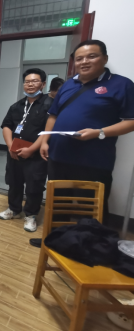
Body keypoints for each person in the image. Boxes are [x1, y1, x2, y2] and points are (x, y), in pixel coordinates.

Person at [40, 39, 134, 224]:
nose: (84, 62)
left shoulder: (121, 84)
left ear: (105, 58)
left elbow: (131, 121)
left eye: (91, 56)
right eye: (79, 58)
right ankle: (57, 236)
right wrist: (45, 141)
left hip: (93, 162)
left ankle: (89, 241)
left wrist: (98, 132)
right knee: (57, 205)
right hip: (58, 158)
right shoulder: (68, 85)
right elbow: (53, 116)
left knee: (91, 211)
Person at [0, 68, 53, 232]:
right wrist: (10, 146)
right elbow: (6, 126)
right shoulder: (17, 106)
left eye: (34, 81)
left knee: (34, 186)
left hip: (36, 155)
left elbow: (48, 130)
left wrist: (31, 149)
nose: (30, 84)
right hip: (15, 153)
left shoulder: (49, 105)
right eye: (27, 81)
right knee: (14, 182)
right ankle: (14, 209)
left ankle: (31, 215)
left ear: (43, 84)